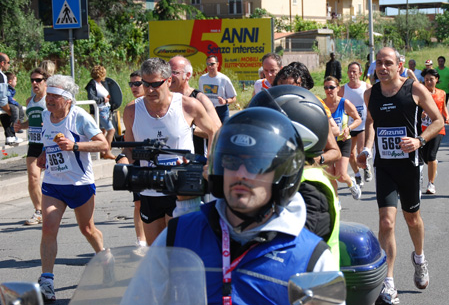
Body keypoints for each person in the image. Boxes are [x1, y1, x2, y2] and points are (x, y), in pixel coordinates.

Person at [155, 108, 337, 304]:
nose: (241, 174)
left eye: (256, 164)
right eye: (231, 161)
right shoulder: (175, 236)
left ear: (281, 176)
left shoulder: (312, 258)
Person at [357, 47, 444, 305]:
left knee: (412, 219)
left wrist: (419, 140)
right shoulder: (369, 93)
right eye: (378, 63)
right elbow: (371, 121)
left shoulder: (415, 89)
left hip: (409, 165)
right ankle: (389, 283)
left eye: (387, 63)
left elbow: (438, 121)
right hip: (384, 166)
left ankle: (419, 258)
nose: (382, 67)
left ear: (399, 65)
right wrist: (366, 148)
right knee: (386, 222)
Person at [118, 58, 219, 245]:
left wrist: (209, 162)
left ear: (169, 81)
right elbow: (129, 148)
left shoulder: (188, 105)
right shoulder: (132, 110)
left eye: (155, 84)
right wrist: (125, 162)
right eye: (145, 84)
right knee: (156, 252)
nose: (149, 90)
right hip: (149, 189)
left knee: (180, 249)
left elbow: (214, 130)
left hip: (181, 190)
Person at [36, 75, 112, 302]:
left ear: (68, 99)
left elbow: (103, 144)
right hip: (53, 183)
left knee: (87, 229)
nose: (49, 99)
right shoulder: (44, 116)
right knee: (48, 227)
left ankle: (104, 257)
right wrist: (43, 154)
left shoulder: (79, 117)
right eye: (48, 95)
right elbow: (49, 142)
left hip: (79, 183)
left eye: (54, 96)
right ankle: (47, 280)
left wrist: (75, 145)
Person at [248, 84, 342, 268]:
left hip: (307, 291)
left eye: (263, 133)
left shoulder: (311, 191)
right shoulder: (287, 178)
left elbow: (288, 254)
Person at [169, 55, 221, 157]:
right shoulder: (165, 99)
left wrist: (191, 129)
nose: (170, 76)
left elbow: (217, 130)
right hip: (170, 160)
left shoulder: (200, 99)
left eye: (175, 72)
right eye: (167, 72)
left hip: (195, 161)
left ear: (187, 75)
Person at [14, 68, 48, 226]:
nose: (35, 83)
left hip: (49, 144)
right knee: (33, 177)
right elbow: (31, 122)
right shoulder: (30, 101)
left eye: (38, 80)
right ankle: (39, 211)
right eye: (32, 80)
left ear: (45, 82)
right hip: (34, 144)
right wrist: (21, 125)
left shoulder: (50, 99)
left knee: (58, 178)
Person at [323, 76, 362, 200]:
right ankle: (336, 201)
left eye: (332, 87)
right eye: (326, 88)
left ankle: (351, 183)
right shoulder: (322, 105)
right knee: (330, 175)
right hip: (328, 144)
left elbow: (358, 119)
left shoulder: (344, 103)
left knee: (340, 175)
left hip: (343, 142)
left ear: (338, 88)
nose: (329, 90)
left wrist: (348, 129)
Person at [338, 62, 372, 186]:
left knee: (361, 151)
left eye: (354, 72)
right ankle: (357, 174)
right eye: (350, 71)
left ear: (360, 73)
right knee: (351, 154)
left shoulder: (366, 87)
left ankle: (366, 167)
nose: (352, 74)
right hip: (348, 126)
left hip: (362, 125)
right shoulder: (343, 89)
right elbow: (337, 104)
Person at [126, 70, 147, 247]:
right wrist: (130, 161)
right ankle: (140, 239)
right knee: (139, 202)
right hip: (138, 161)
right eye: (131, 84)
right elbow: (128, 139)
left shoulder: (156, 104)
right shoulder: (131, 107)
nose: (134, 87)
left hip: (156, 160)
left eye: (137, 83)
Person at [421, 68, 449, 194]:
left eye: (431, 79)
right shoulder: (420, 93)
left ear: (436, 80)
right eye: (426, 80)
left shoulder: (441, 93)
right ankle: (433, 166)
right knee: (424, 157)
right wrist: (420, 115)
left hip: (438, 128)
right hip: (423, 129)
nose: (428, 82)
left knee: (432, 155)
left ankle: (431, 184)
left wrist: (446, 115)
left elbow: (443, 106)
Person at [85, 65, 117, 159]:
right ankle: (107, 151)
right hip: (100, 110)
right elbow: (92, 98)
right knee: (111, 130)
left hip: (105, 109)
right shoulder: (92, 84)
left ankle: (101, 152)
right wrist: (102, 99)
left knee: (102, 131)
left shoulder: (100, 84)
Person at [199, 55, 237, 122]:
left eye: (212, 64)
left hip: (221, 110)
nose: (210, 66)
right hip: (208, 110)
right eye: (208, 64)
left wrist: (225, 101)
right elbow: (201, 96)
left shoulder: (224, 79)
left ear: (217, 64)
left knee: (223, 131)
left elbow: (233, 98)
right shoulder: (202, 79)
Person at [0, 53, 23, 145]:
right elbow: (2, 97)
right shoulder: (2, 76)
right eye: (8, 62)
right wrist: (8, 110)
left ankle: (10, 136)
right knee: (13, 109)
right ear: (2, 63)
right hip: (1, 103)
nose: (9, 65)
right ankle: (13, 132)